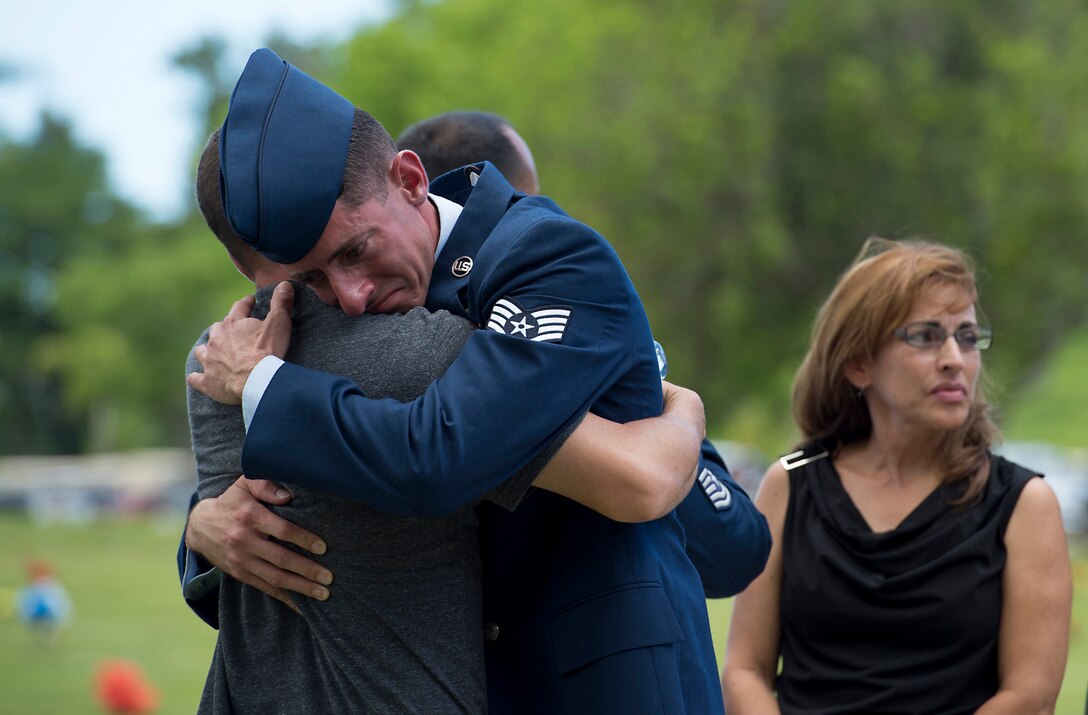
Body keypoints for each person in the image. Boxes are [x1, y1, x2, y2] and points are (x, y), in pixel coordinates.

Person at [189, 47, 751, 712]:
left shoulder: (551, 256)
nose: (352, 295)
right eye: (312, 278)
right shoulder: (298, 330)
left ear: (409, 177)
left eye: (355, 251)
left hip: (596, 683)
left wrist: (263, 386)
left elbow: (443, 454)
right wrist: (201, 528)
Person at [720, 238, 1072, 714]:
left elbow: (1029, 697)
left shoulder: (1024, 503)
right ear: (859, 364)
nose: (954, 358)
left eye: (967, 337)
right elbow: (745, 669)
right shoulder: (790, 484)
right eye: (926, 336)